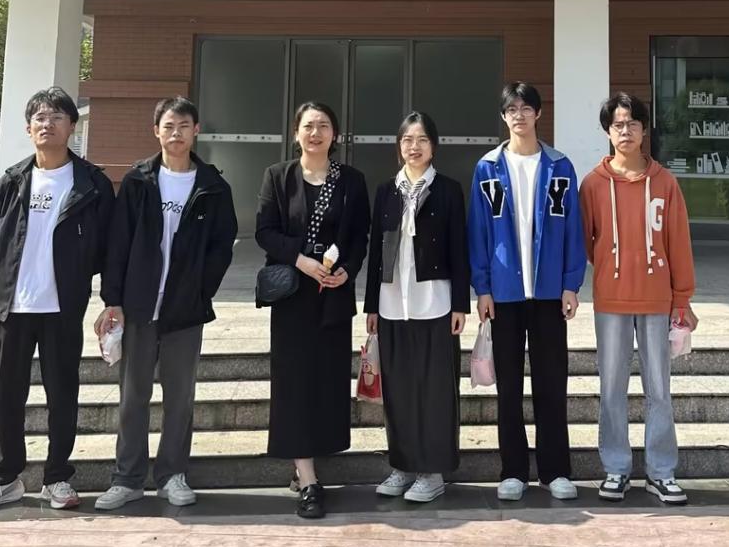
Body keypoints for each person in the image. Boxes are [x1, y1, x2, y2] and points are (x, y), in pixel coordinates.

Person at [0, 88, 114, 513]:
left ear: (72, 126)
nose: (47, 124)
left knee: (62, 394)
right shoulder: (11, 181)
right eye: (40, 118)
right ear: (29, 128)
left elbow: (107, 247)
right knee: (6, 396)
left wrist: (102, 293)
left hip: (62, 307)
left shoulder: (93, 184)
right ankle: (5, 478)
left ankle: (57, 478)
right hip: (13, 307)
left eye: (57, 117)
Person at [92, 96, 237, 511]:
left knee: (180, 397)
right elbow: (118, 243)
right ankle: (127, 478)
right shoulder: (138, 181)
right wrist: (113, 299)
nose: (176, 133)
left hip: (184, 310)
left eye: (184, 126)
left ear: (196, 131)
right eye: (169, 126)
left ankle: (172, 475)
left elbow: (221, 247)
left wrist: (200, 292)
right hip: (138, 305)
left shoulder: (213, 186)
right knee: (132, 396)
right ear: (156, 131)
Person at [468, 82, 586, 502]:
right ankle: (513, 470)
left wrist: (571, 282)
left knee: (552, 383)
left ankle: (555, 470)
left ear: (538, 113)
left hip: (550, 292)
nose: (519, 115)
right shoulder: (487, 168)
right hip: (504, 294)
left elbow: (573, 229)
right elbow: (478, 232)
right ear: (503, 117)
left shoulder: (559, 166)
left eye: (526, 108)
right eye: (511, 109)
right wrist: (482, 287)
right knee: (509, 387)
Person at [579, 92, 698, 505]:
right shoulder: (593, 184)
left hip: (656, 300)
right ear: (608, 132)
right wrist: (606, 270)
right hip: (611, 300)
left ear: (644, 130)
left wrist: (682, 299)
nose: (625, 131)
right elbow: (585, 242)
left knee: (659, 389)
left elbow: (678, 242)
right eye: (618, 124)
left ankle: (661, 472)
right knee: (611, 387)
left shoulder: (665, 183)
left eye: (632, 123)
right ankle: (616, 468)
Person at [255, 101, 370, 519]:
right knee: (293, 383)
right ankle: (308, 479)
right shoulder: (277, 176)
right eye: (308, 126)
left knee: (325, 382)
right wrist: (300, 260)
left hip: (332, 294)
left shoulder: (351, 180)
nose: (315, 133)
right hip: (293, 296)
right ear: (296, 133)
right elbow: (264, 230)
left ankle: (306, 460)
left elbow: (360, 235)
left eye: (323, 126)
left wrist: (347, 270)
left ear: (334, 134)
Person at [364, 112, 470, 503]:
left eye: (422, 139)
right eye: (407, 139)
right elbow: (377, 251)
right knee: (399, 392)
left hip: (435, 304)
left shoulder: (448, 190)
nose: (414, 146)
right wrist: (372, 305)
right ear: (399, 146)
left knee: (436, 391)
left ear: (433, 146)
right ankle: (402, 465)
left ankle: (433, 471)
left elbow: (460, 249)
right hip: (393, 305)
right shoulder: (386, 191)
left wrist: (460, 304)